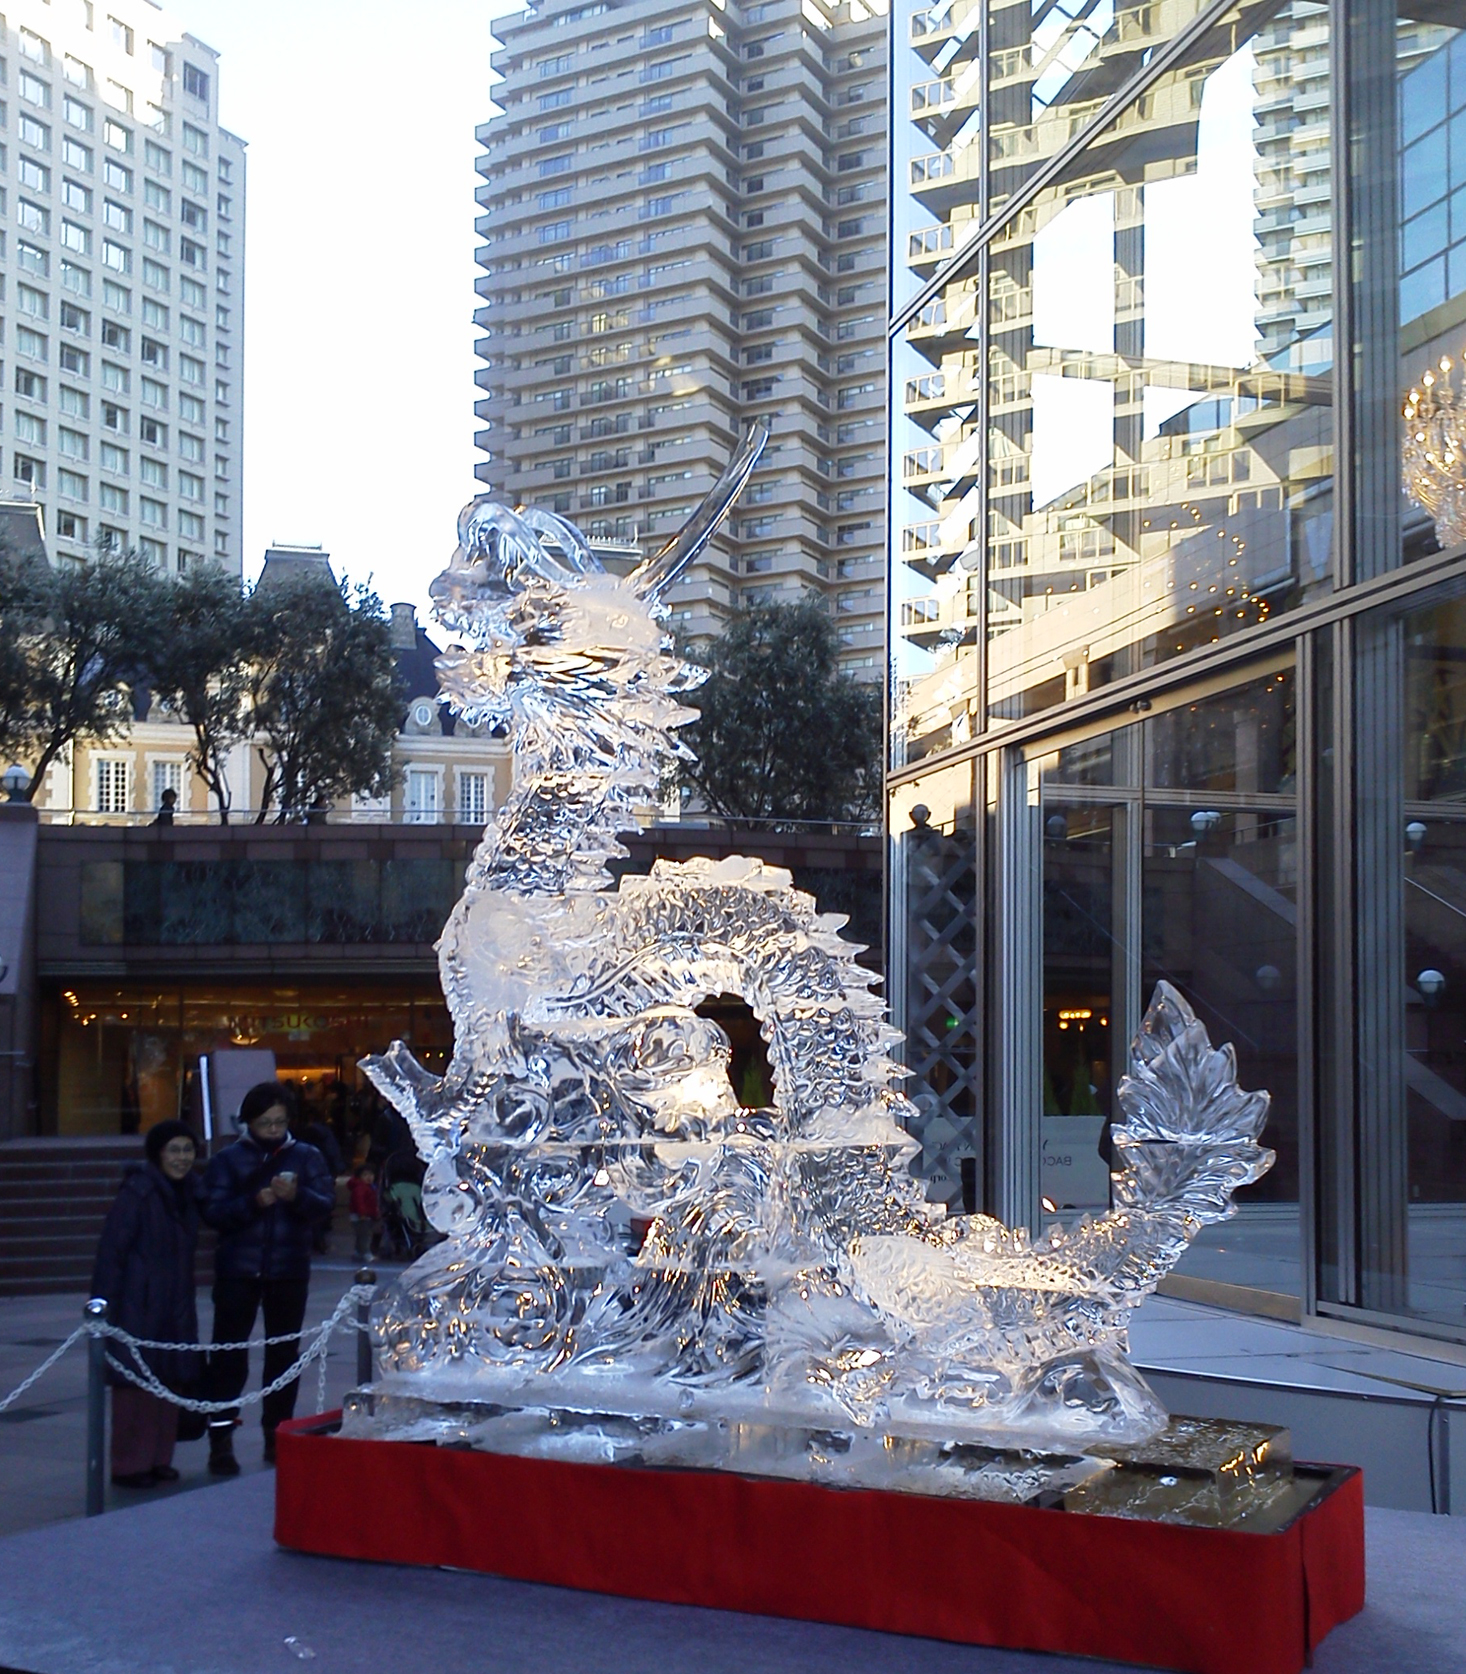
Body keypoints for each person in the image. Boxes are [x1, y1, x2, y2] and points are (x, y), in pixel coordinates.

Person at [199, 1081, 334, 1474]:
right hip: (238, 1270)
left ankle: (278, 1434)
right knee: (228, 1355)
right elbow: (213, 1212)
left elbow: (324, 1205)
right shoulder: (229, 1159)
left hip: (288, 1269)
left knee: (283, 1356)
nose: (273, 1129)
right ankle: (220, 1440)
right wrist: (253, 1202)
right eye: (265, 1123)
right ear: (249, 1122)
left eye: (279, 1122)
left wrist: (296, 1198)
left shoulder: (307, 1156)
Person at [89, 1120, 201, 1488]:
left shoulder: (187, 1191)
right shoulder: (138, 1192)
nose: (182, 1158)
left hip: (173, 1303)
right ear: (158, 1154)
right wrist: (103, 1306)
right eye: (174, 1150)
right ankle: (128, 1465)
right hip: (136, 1304)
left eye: (188, 1150)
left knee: (168, 1383)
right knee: (134, 1387)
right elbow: (112, 1252)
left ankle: (157, 1458)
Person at [347, 1164, 380, 1260]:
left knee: (361, 1235)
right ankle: (366, 1253)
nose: (369, 1177)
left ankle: (358, 1252)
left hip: (365, 1215)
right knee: (365, 1235)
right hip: (362, 1216)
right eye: (365, 1175)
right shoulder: (361, 1188)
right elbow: (359, 1202)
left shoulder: (369, 1187)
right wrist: (362, 1214)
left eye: (371, 1175)